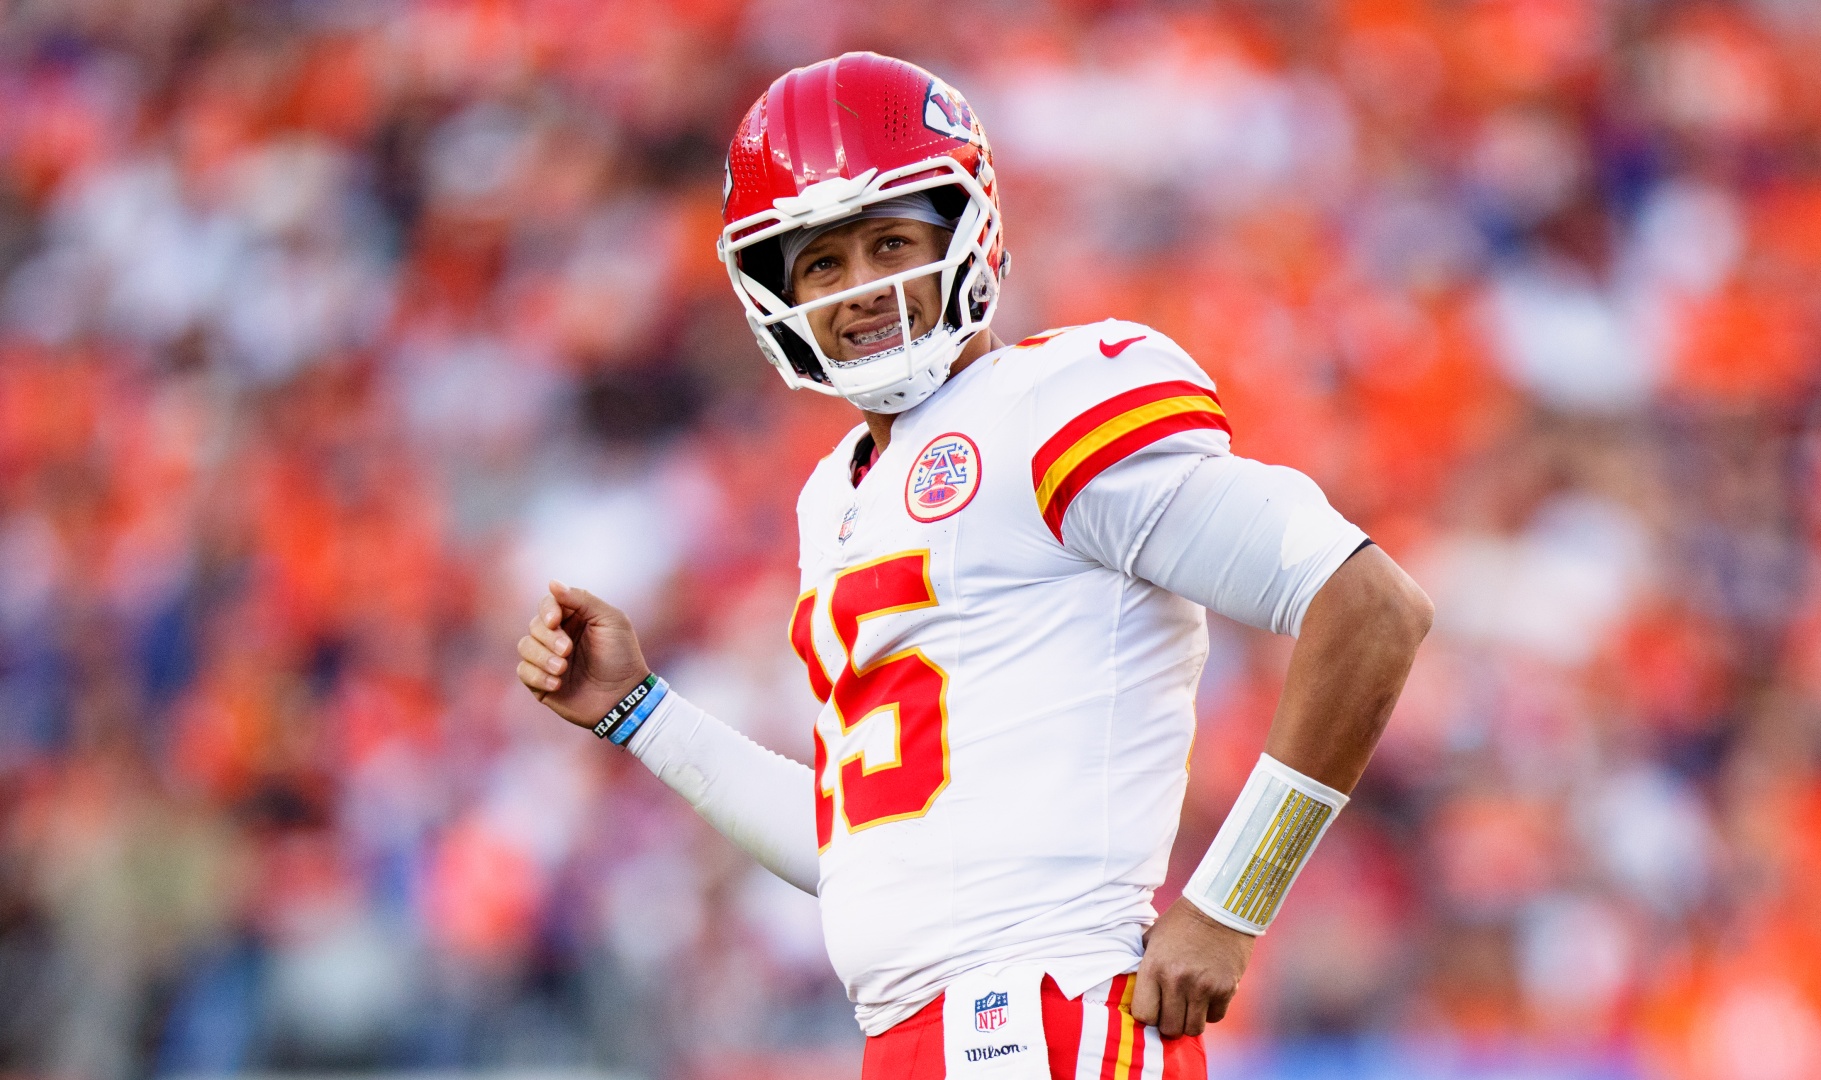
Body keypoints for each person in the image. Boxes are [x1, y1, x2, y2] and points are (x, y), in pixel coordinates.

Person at [515, 52, 1432, 1080]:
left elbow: (1370, 606)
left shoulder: (1052, 401)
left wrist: (1230, 903)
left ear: (969, 233)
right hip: (912, 1034)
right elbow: (865, 853)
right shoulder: (840, 495)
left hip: (1046, 1014)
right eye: (822, 264)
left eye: (890, 243)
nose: (863, 289)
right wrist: (639, 711)